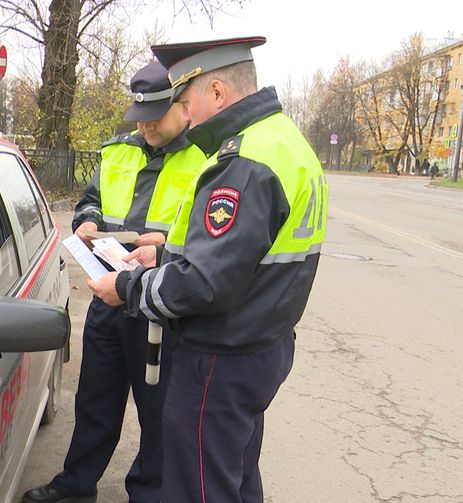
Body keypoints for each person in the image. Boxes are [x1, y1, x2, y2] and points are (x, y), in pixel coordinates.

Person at [88, 36, 327, 503]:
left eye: (184, 99)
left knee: (197, 487)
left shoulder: (243, 162)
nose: (185, 114)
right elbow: (245, 254)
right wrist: (166, 257)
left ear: (216, 92)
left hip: (221, 357)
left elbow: (203, 283)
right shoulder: (285, 142)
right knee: (234, 477)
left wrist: (128, 287)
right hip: (262, 345)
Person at [23, 62, 206, 503]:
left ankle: (147, 492)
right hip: (110, 298)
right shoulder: (118, 151)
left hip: (161, 305)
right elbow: (93, 201)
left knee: (158, 412)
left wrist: (165, 246)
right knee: (95, 400)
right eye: (139, 116)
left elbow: (207, 241)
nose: (145, 126)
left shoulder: (207, 161)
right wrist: (87, 222)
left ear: (182, 107)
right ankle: (77, 484)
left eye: (156, 116)